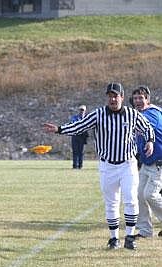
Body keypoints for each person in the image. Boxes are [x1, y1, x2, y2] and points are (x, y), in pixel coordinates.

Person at [43, 82, 155, 250]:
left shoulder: (132, 114)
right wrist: (59, 129)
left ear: (122, 97)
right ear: (107, 97)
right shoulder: (98, 114)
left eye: (116, 95)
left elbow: (147, 128)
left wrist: (150, 142)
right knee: (111, 202)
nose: (113, 99)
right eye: (110, 96)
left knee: (131, 199)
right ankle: (114, 238)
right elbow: (79, 126)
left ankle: (130, 237)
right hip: (107, 165)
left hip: (127, 164)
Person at [131, 86, 162, 239]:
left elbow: (140, 124)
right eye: (135, 98)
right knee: (139, 196)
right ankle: (145, 231)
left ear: (147, 99)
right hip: (146, 163)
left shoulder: (153, 113)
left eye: (140, 98)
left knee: (150, 194)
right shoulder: (139, 114)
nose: (137, 101)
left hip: (159, 163)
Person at [70, 105, 89, 169]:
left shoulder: (87, 118)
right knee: (75, 151)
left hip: (82, 137)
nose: (81, 111)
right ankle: (75, 165)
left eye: (83, 110)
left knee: (81, 152)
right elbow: (73, 124)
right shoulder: (75, 117)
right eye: (80, 110)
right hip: (75, 136)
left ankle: (80, 165)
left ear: (85, 111)